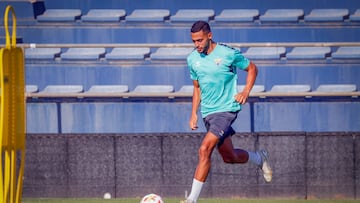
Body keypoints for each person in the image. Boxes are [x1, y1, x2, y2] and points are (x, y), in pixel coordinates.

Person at [181, 21, 272, 203]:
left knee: (204, 149)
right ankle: (259, 158)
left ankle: (191, 200)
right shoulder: (192, 59)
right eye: (194, 41)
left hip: (226, 110)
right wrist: (193, 113)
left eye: (199, 40)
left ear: (209, 36)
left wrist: (245, 91)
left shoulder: (228, 53)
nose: (196, 45)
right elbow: (197, 88)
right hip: (208, 113)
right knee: (229, 157)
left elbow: (252, 68)